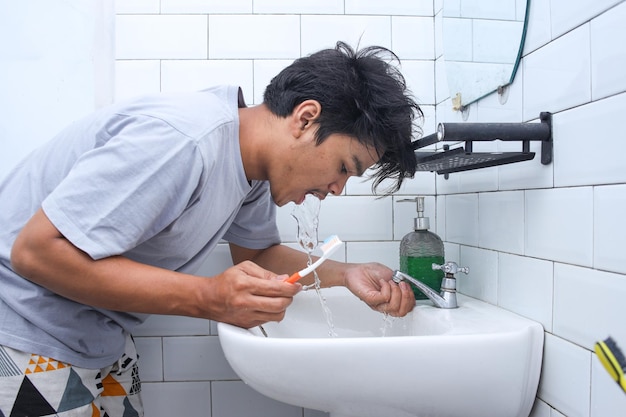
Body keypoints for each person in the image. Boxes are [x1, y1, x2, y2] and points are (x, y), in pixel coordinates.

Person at [0, 41, 421, 416]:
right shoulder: (183, 141)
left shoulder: (252, 170)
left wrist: (345, 275)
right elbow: (35, 251)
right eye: (345, 167)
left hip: (97, 336)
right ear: (305, 118)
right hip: (26, 330)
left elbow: (257, 255)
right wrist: (207, 297)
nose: (337, 188)